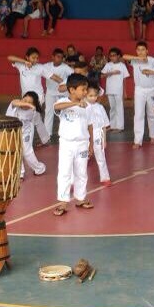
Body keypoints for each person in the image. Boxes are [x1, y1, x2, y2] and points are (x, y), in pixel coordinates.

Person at [52, 74, 94, 216]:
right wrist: (75, 104)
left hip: (82, 143)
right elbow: (57, 107)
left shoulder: (88, 106)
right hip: (66, 143)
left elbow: (90, 125)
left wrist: (91, 144)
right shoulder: (63, 102)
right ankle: (63, 201)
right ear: (71, 90)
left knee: (81, 172)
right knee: (64, 172)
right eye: (83, 89)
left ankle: (80, 198)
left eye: (86, 89)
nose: (85, 92)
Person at [7, 48, 60, 145]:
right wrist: (24, 62)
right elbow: (9, 57)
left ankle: (27, 141)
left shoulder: (40, 68)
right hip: (26, 98)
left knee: (29, 116)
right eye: (33, 58)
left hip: (38, 97)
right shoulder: (21, 65)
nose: (36, 60)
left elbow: (54, 77)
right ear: (27, 57)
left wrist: (66, 83)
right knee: (36, 118)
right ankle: (45, 139)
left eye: (37, 58)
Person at [122, 42, 154, 149]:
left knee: (152, 114)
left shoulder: (153, 60)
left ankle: (153, 136)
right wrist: (138, 58)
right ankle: (137, 140)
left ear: (147, 51)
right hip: (139, 90)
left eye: (143, 49)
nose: (141, 52)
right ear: (136, 51)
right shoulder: (134, 60)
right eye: (138, 50)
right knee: (138, 115)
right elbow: (124, 56)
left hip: (152, 89)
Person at [6, 91, 46, 178]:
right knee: (16, 152)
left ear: (33, 105)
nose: (26, 103)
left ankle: (40, 168)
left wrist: (44, 138)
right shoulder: (14, 103)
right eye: (25, 100)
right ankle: (20, 173)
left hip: (25, 134)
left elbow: (38, 123)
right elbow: (15, 103)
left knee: (27, 153)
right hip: (12, 132)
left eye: (30, 102)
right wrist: (29, 104)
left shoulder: (32, 112)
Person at [43, 49, 75, 139]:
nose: (60, 59)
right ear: (52, 57)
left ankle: (65, 133)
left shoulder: (65, 67)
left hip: (63, 93)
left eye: (61, 57)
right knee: (48, 112)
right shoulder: (46, 66)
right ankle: (47, 134)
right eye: (58, 57)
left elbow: (74, 75)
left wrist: (66, 83)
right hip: (50, 92)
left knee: (64, 113)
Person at [86, 83, 112, 187]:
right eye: (90, 96)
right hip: (86, 135)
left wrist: (104, 140)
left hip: (98, 134)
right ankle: (74, 181)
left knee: (101, 156)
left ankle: (105, 178)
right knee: (81, 159)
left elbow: (104, 125)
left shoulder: (100, 107)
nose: (93, 98)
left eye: (95, 96)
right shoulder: (83, 107)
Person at [100, 48, 129, 132]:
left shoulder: (122, 65)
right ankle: (113, 125)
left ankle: (120, 127)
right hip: (110, 89)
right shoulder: (108, 65)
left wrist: (125, 92)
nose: (112, 57)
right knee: (112, 108)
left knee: (119, 107)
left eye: (114, 55)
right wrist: (112, 73)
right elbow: (102, 75)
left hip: (118, 89)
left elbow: (124, 79)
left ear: (118, 56)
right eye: (111, 56)